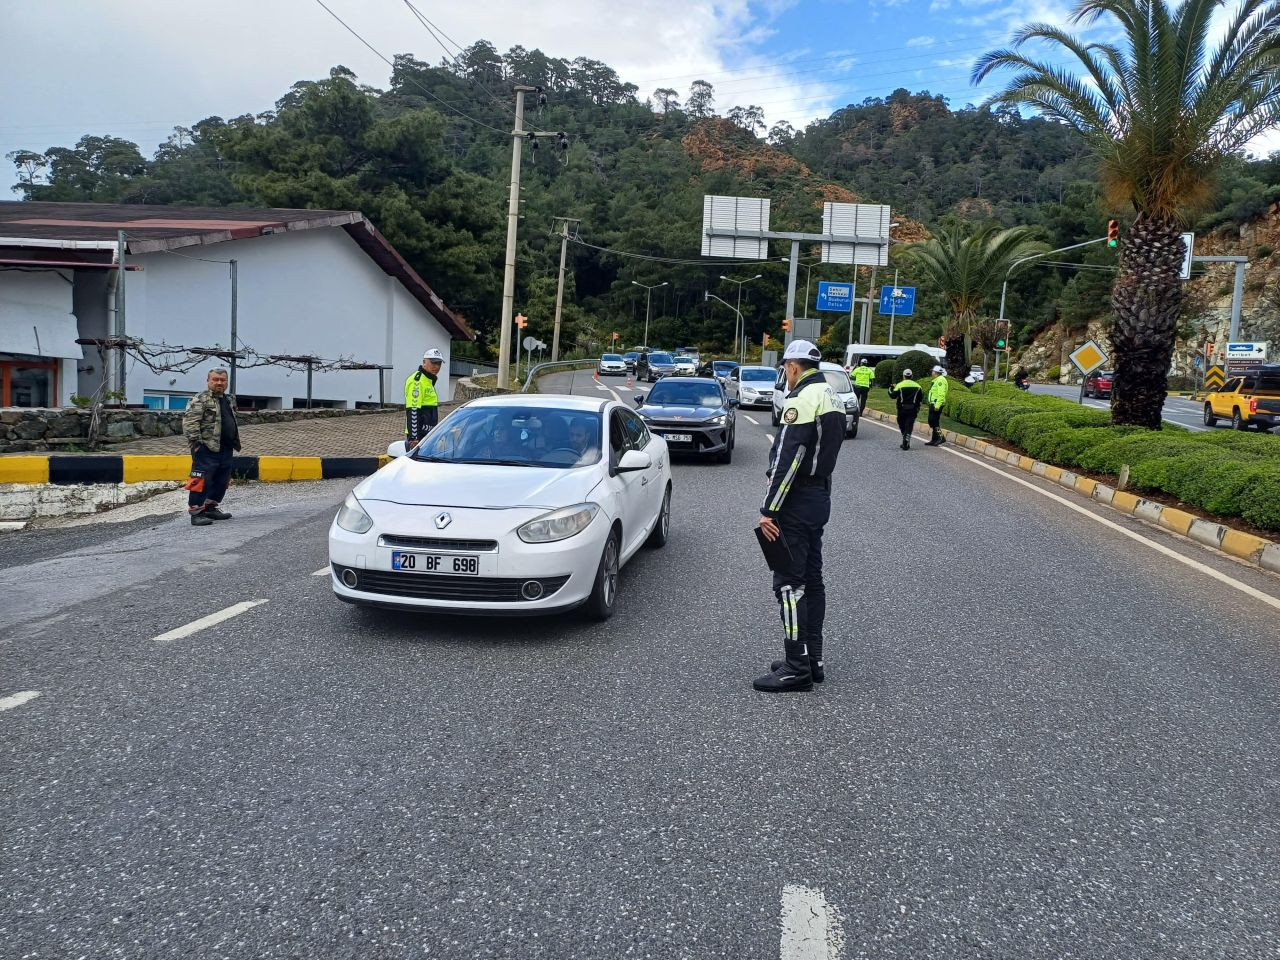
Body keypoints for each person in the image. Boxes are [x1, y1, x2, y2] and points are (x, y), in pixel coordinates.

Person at [754, 339, 846, 693]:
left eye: (785, 370)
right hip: (819, 496)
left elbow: (788, 458)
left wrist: (770, 509)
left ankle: (795, 667)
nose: (786, 376)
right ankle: (813, 659)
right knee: (812, 579)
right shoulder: (831, 394)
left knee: (789, 585)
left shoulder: (802, 399)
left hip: (795, 500)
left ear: (792, 367)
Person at [182, 368, 241, 527]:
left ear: (226, 382)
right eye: (215, 379)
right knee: (201, 480)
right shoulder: (200, 399)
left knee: (222, 480)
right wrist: (196, 445)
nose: (219, 383)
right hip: (206, 448)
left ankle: (210, 507)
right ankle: (196, 513)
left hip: (226, 448)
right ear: (208, 381)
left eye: (222, 380)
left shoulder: (229, 399)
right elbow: (190, 423)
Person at [404, 348, 444, 446]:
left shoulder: (428, 380)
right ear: (424, 362)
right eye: (433, 363)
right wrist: (414, 437)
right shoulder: (417, 381)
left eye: (439, 363)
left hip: (428, 434)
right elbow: (413, 410)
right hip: (419, 436)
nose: (437, 366)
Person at [888, 368, 924, 450]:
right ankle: (906, 437)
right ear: (912, 376)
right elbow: (921, 398)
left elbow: (892, 396)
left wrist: (890, 388)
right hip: (913, 409)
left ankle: (905, 438)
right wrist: (918, 406)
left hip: (902, 409)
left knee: (901, 423)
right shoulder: (918, 386)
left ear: (903, 376)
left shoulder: (900, 385)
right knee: (909, 424)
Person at [926, 364, 949, 446]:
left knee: (932, 420)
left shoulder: (940, 380)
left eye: (932, 371)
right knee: (933, 421)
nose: (931, 372)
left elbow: (941, 394)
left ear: (936, 372)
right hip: (934, 403)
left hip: (936, 404)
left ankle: (940, 437)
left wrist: (937, 405)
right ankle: (934, 439)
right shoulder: (938, 379)